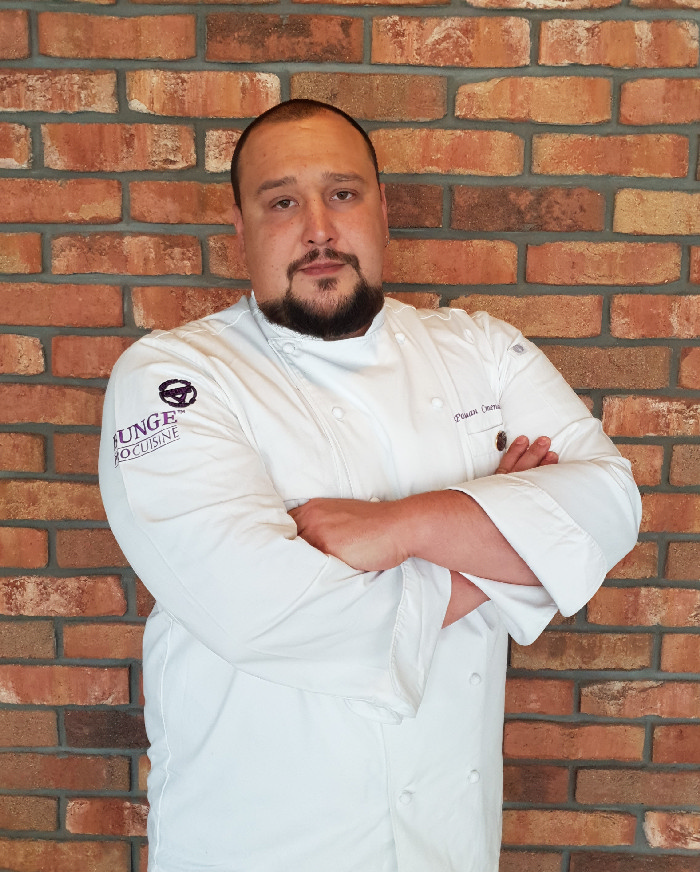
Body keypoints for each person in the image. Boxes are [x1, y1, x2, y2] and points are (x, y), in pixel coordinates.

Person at [99, 99, 641, 872]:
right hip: (255, 843)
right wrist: (519, 551)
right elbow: (264, 610)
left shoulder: (481, 350)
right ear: (240, 227)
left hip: (449, 841)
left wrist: (400, 527)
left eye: (343, 194)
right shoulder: (174, 376)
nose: (318, 229)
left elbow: (610, 504)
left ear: (382, 209)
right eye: (282, 202)